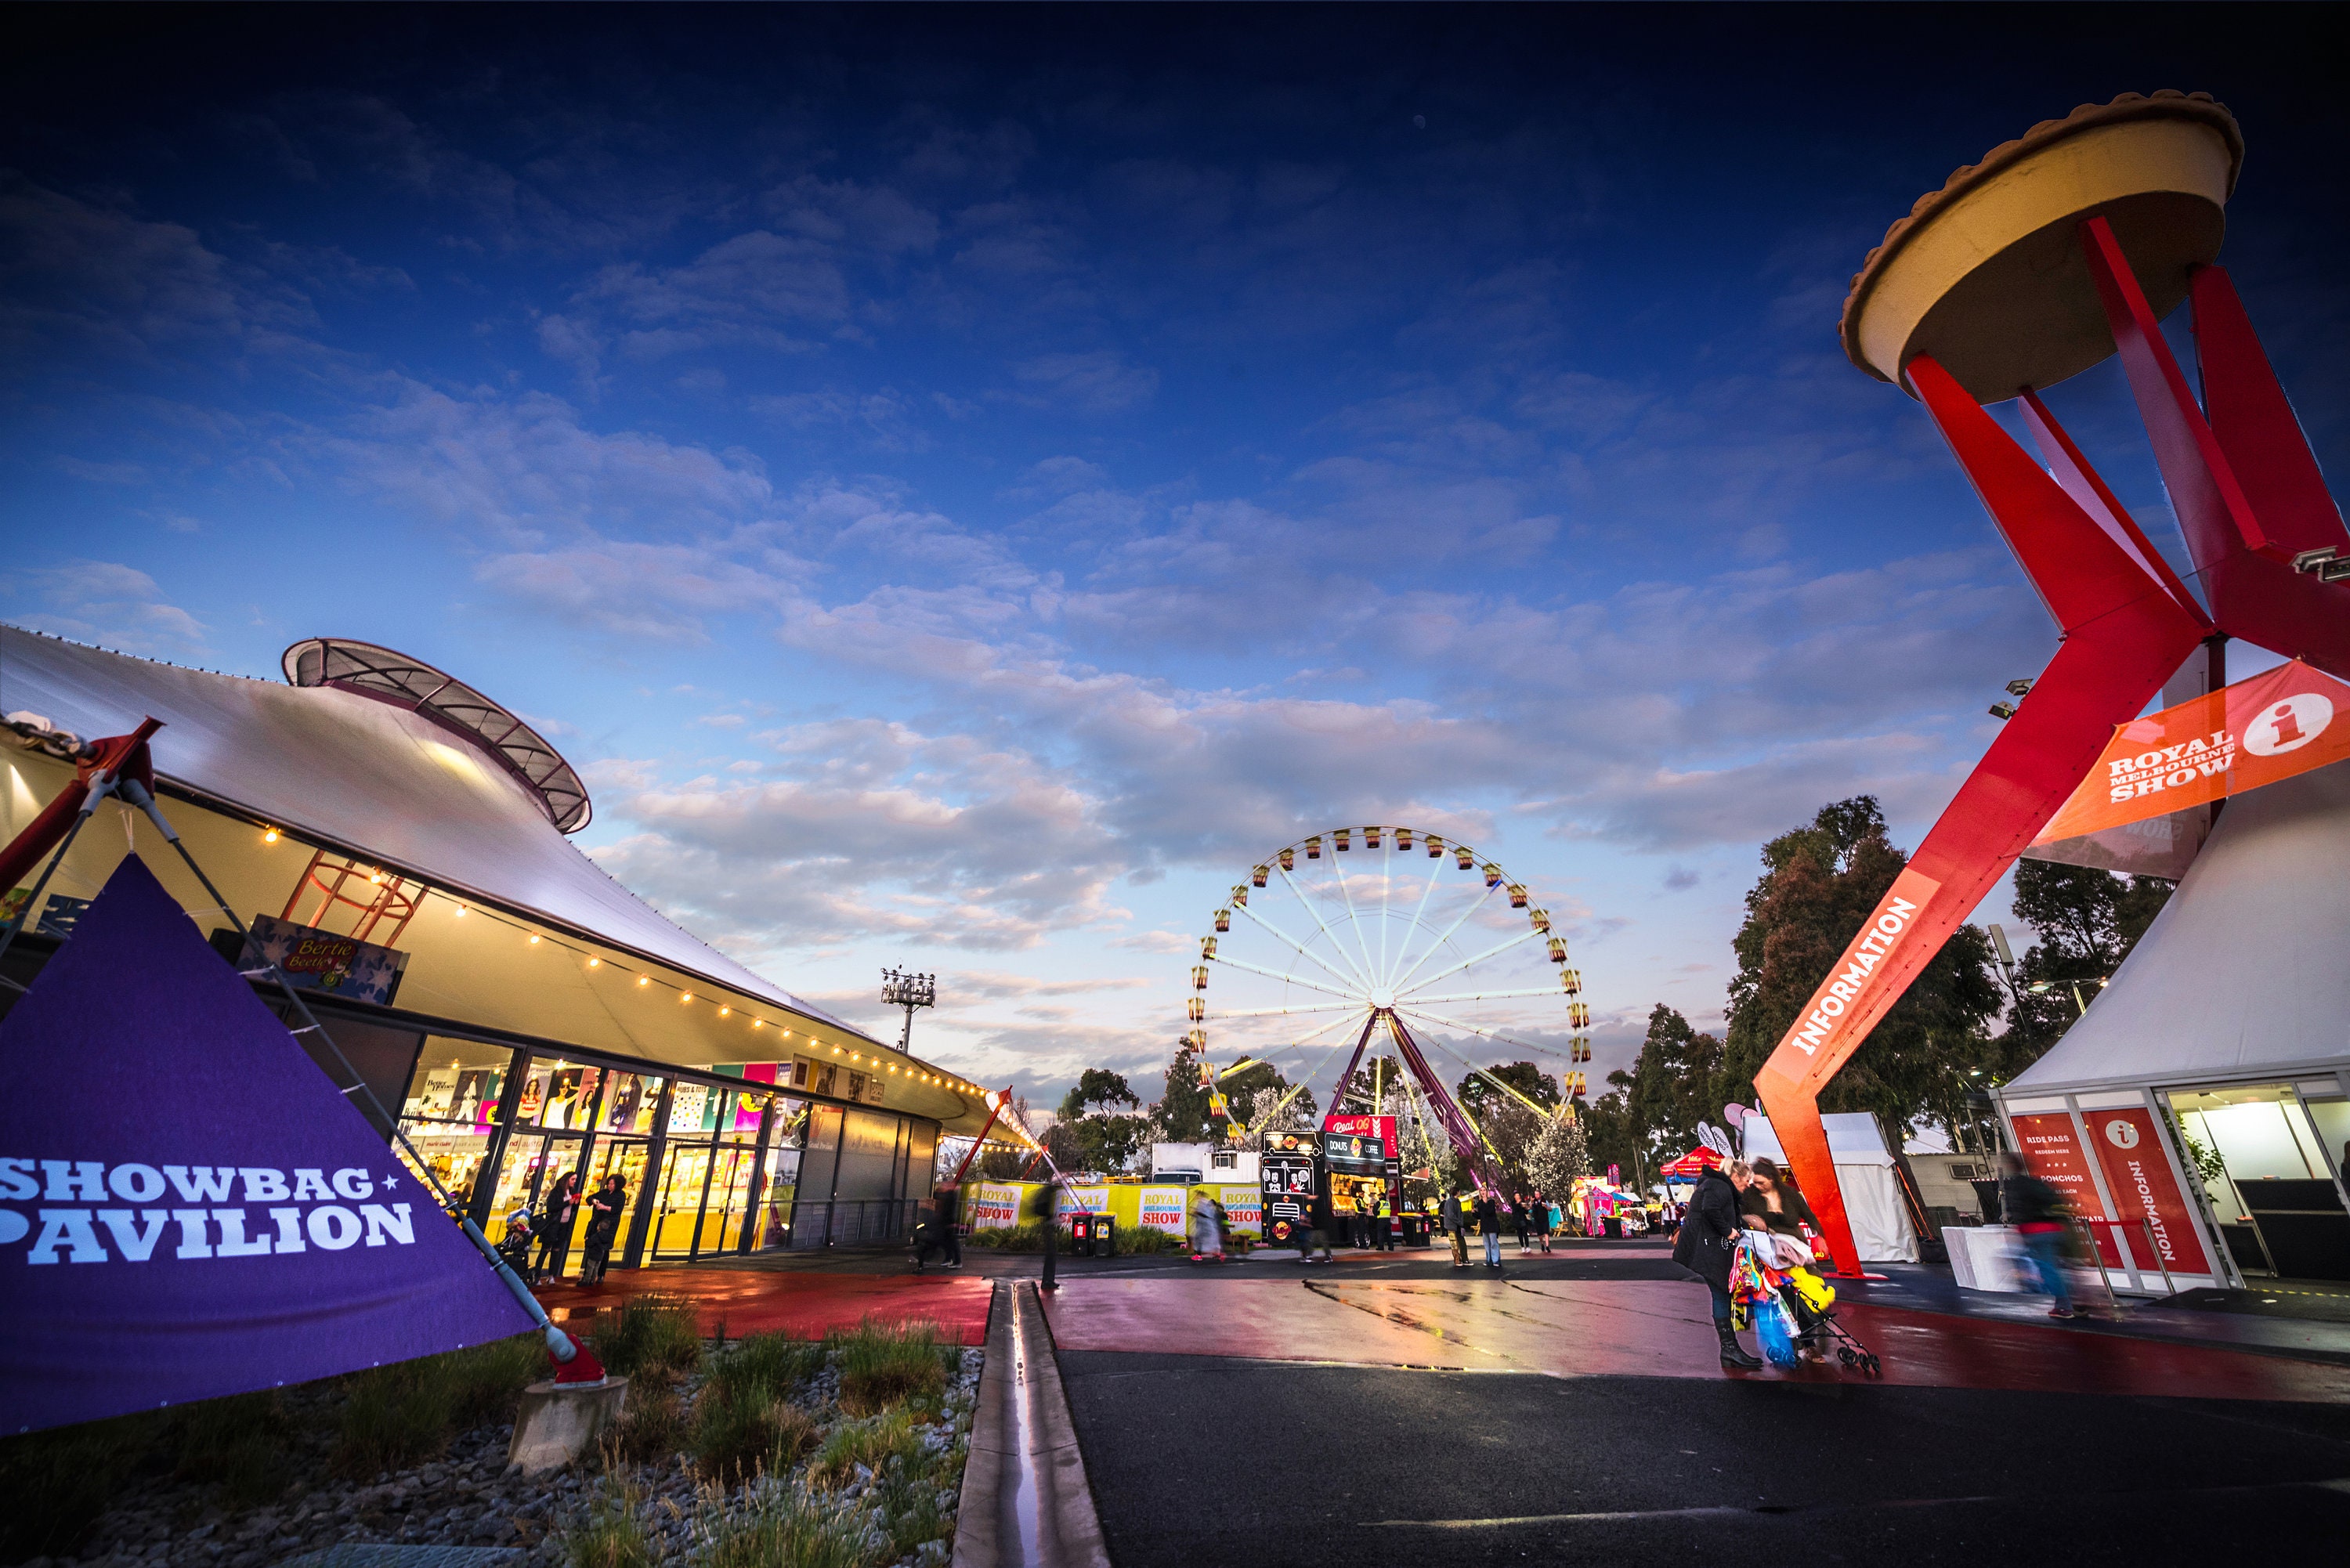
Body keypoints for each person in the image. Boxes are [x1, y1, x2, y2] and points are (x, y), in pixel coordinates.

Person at [1672, 1156, 1762, 1369]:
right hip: (1707, 1251)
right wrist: (1728, 1230)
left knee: (1721, 1293)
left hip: (1706, 1249)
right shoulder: (1719, 1185)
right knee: (1721, 1293)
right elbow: (1710, 1209)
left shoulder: (1715, 1185)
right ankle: (1729, 1349)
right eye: (1746, 1180)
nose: (1748, 1185)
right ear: (1736, 1176)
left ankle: (1730, 1349)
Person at [1740, 1158, 1828, 1357]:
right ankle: (1801, 1341)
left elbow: (1810, 1216)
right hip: (1768, 1252)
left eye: (1761, 1182)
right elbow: (1738, 1215)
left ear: (1772, 1179)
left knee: (1807, 1291)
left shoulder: (1790, 1194)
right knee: (1785, 1295)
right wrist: (1748, 1218)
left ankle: (1809, 1339)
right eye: (1755, 1182)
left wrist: (1820, 1236)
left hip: (1796, 1251)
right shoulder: (1750, 1196)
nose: (1757, 1186)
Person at [1999, 1151, 2075, 1320]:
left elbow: (2018, 1212)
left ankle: (2065, 1305)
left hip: (2035, 1231)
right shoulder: (2036, 1183)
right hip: (2054, 1229)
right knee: (2055, 1267)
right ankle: (2068, 1301)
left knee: (2047, 1269)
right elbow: (2055, 1202)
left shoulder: (2015, 1187)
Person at [534, 1172, 581, 1281]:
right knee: (545, 1250)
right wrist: (567, 1203)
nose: (574, 1182)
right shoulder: (556, 1192)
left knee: (556, 1251)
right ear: (567, 1180)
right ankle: (536, 1275)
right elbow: (551, 1207)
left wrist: (575, 1203)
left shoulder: (572, 1191)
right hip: (553, 1225)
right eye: (573, 1179)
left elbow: (572, 1210)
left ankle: (551, 1275)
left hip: (564, 1225)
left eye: (575, 1179)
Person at [1301, 1180, 1336, 1263]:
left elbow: (1317, 1214)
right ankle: (1327, 1256)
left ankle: (1311, 1256)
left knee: (1315, 1241)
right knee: (1318, 1241)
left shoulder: (1318, 1202)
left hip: (1319, 1225)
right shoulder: (1319, 1201)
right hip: (1319, 1225)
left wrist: (1310, 1219)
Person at [932, 1180, 964, 1268]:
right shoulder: (947, 1194)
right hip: (945, 1221)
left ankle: (957, 1261)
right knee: (946, 1241)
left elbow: (941, 1197)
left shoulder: (951, 1194)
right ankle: (949, 1258)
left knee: (952, 1241)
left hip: (949, 1221)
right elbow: (936, 1196)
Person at [1192, 1188, 1226, 1262]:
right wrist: (1195, 1214)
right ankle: (1219, 1254)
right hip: (1205, 1226)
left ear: (1199, 1195)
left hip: (1206, 1226)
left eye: (1196, 1195)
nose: (1194, 1197)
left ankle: (1199, 1256)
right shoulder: (1202, 1202)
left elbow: (1206, 1215)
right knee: (1211, 1241)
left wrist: (1197, 1213)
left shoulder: (1203, 1203)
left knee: (1200, 1240)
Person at [1476, 1189, 1504, 1271]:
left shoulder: (1491, 1202)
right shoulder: (1480, 1203)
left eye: (1484, 1190)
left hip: (1492, 1225)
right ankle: (1489, 1260)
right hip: (1484, 1225)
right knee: (1486, 1243)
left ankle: (1496, 1260)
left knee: (1493, 1243)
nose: (1483, 1192)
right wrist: (1474, 1213)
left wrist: (1484, 1203)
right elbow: (1480, 1215)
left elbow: (1490, 1212)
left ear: (1487, 1192)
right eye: (1481, 1191)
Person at [1442, 1187, 1470, 1270]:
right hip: (1452, 1226)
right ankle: (1457, 1260)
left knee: (1462, 1242)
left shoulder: (1457, 1201)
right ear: (1457, 1192)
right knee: (1454, 1244)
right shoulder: (1450, 1202)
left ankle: (1465, 1259)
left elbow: (1459, 1213)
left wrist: (1460, 1222)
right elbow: (1450, 1215)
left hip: (1458, 1225)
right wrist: (1459, 1221)